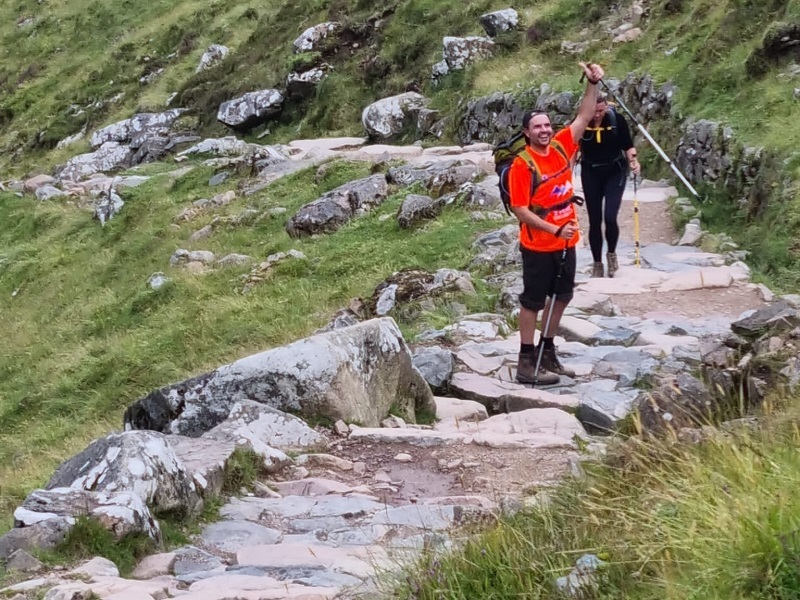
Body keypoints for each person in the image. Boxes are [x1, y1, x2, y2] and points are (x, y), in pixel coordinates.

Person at [508, 62, 605, 385]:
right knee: (533, 301)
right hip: (538, 244)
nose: (545, 130)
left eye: (547, 125)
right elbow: (520, 209)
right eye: (537, 127)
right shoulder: (523, 165)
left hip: (566, 241)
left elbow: (584, 116)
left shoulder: (563, 145)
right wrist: (552, 229)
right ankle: (525, 359)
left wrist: (593, 84)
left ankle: (547, 352)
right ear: (526, 133)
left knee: (562, 296)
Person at [579, 93, 640, 278]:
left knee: (610, 216)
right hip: (590, 172)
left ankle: (611, 255)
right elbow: (573, 146)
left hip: (615, 171)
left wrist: (634, 161)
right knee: (594, 219)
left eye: (601, 110)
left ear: (606, 106)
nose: (597, 114)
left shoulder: (616, 120)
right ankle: (597, 263)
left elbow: (628, 146)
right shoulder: (582, 123)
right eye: (594, 111)